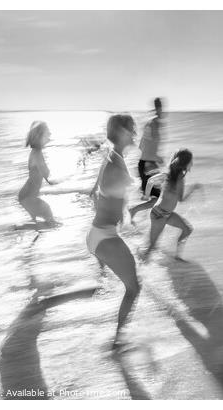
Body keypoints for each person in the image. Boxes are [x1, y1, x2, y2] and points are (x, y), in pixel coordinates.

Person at [87, 114, 140, 349]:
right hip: (104, 237)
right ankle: (118, 342)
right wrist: (126, 187)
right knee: (134, 287)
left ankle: (119, 338)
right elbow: (107, 187)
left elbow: (96, 192)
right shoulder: (113, 160)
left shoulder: (113, 156)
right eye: (132, 129)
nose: (135, 133)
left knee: (111, 285)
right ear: (121, 131)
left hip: (100, 235)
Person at [139, 149, 202, 262]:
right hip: (159, 215)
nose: (192, 164)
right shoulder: (174, 178)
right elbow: (181, 199)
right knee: (152, 247)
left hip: (165, 214)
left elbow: (150, 182)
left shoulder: (171, 176)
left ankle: (177, 257)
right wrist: (193, 189)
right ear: (184, 163)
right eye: (191, 162)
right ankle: (139, 268)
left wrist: (147, 196)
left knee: (187, 229)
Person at [129, 97, 166, 222]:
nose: (162, 111)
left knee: (154, 197)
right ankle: (134, 211)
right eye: (161, 108)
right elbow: (147, 149)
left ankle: (141, 221)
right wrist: (156, 158)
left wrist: (153, 159)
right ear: (157, 109)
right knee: (157, 198)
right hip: (148, 165)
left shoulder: (149, 124)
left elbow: (141, 146)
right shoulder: (154, 125)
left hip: (146, 164)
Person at [18, 121, 59, 226]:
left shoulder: (36, 152)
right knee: (47, 212)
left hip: (27, 195)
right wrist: (53, 180)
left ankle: (24, 229)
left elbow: (43, 174)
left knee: (43, 219)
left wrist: (49, 179)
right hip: (28, 196)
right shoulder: (37, 153)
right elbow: (45, 172)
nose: (50, 135)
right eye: (47, 133)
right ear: (39, 137)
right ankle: (16, 229)